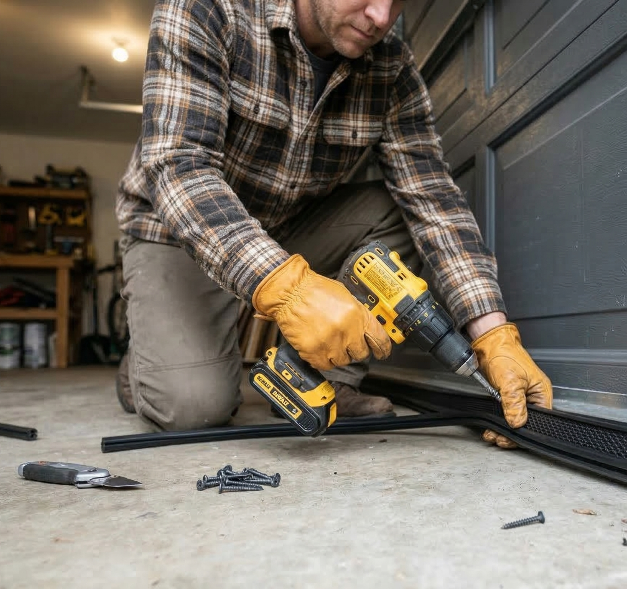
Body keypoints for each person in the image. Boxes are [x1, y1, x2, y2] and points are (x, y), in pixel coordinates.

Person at [114, 0, 551, 448]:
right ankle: (145, 362)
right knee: (194, 408)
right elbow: (179, 165)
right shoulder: (208, 9)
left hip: (290, 226)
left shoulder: (392, 67)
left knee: (402, 212)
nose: (381, 17)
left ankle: (322, 378)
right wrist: (285, 287)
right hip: (175, 231)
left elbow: (433, 198)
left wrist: (491, 332)